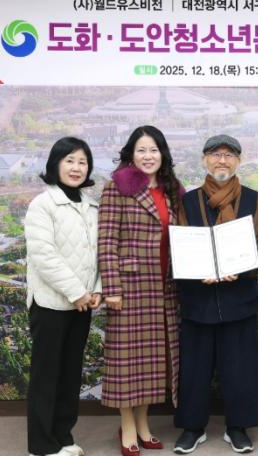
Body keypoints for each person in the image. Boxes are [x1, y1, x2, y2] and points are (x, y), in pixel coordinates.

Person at [173, 134, 258, 454]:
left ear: (238, 161)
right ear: (205, 160)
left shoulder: (253, 200)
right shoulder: (188, 201)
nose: (222, 160)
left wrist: (241, 269)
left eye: (229, 155)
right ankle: (192, 428)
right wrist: (197, 270)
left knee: (239, 368)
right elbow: (182, 245)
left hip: (239, 297)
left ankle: (237, 427)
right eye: (215, 154)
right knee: (194, 368)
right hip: (198, 298)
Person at [98, 126, 182, 456]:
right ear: (131, 155)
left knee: (151, 361)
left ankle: (143, 423)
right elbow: (106, 241)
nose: (148, 156)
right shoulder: (117, 187)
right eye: (142, 150)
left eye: (154, 150)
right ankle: (127, 425)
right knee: (126, 361)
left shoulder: (173, 189)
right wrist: (112, 288)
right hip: (129, 288)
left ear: (163, 154)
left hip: (165, 287)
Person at [25, 137, 101, 456]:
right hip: (51, 303)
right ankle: (41, 446)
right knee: (47, 375)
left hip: (82, 304)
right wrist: (76, 292)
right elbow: (44, 255)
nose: (76, 167)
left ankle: (62, 436)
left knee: (70, 374)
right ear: (55, 164)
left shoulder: (92, 205)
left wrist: (96, 290)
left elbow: (99, 252)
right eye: (69, 160)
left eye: (82, 162)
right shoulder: (42, 205)